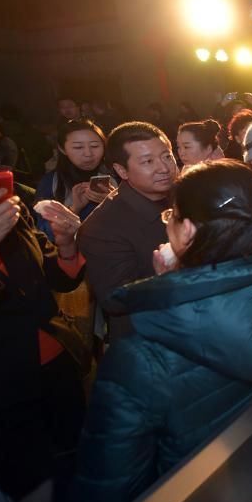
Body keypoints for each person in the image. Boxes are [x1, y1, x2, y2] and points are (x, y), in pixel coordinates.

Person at [70, 160, 252, 502]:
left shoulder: (138, 357)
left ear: (187, 232)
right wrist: (178, 283)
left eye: (171, 216)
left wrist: (168, 288)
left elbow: (105, 492)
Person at [0, 124, 87, 502]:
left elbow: (52, 279)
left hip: (54, 366)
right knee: (32, 488)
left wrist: (66, 247)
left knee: (77, 466)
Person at [78, 122, 178, 340]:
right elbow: (116, 299)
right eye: (148, 161)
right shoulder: (101, 227)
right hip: (152, 339)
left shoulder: (187, 195)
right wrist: (165, 278)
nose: (164, 168)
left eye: (167, 156)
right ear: (121, 170)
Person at [35, 120, 114, 242]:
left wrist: (114, 201)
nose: (88, 153)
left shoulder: (118, 174)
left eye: (95, 146)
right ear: (62, 149)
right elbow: (45, 235)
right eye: (78, 147)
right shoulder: (50, 183)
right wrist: (74, 209)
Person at [0, 103, 53, 186]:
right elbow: (48, 153)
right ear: (19, 116)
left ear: (0, 118)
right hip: (37, 175)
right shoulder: (33, 132)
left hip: (10, 178)